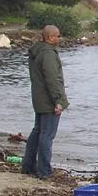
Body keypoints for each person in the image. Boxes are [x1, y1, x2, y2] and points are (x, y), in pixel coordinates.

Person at [22, 25, 69, 180]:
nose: (59, 39)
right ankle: (44, 171)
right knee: (46, 135)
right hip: (48, 100)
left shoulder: (37, 51)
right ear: (50, 37)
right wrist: (59, 101)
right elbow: (52, 80)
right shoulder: (48, 54)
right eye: (58, 36)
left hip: (39, 98)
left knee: (38, 132)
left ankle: (27, 166)